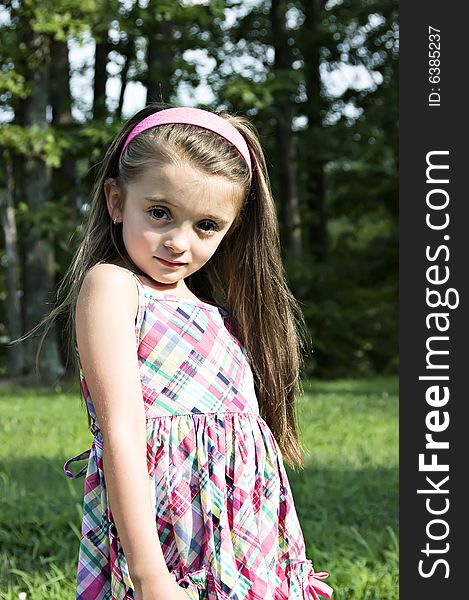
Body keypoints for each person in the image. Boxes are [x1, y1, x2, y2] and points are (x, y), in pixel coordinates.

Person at [58, 104, 333, 600]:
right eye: (159, 213)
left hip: (245, 543)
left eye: (206, 225)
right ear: (116, 200)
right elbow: (122, 430)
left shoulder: (219, 315)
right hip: (166, 538)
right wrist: (150, 576)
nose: (178, 243)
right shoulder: (114, 287)